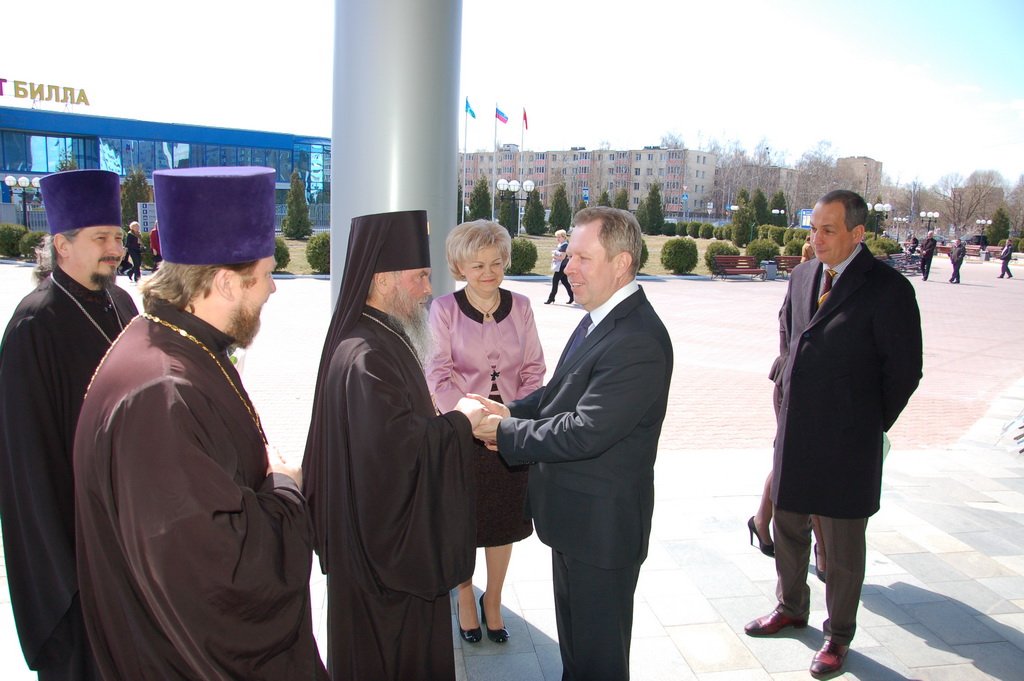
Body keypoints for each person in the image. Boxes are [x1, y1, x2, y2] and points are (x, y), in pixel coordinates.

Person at [73, 167, 327, 680]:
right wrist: (285, 489)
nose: (273, 289)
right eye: (266, 274)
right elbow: (219, 573)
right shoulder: (161, 394)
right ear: (226, 282)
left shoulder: (172, 340)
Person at [473, 206, 673, 681]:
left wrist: (504, 434)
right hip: (575, 520)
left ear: (622, 263)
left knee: (599, 660)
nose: (568, 268)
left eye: (583, 258)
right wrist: (510, 411)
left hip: (601, 532)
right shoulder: (600, 318)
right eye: (569, 256)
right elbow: (560, 392)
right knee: (578, 653)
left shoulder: (638, 338)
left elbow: (586, 429)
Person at [302, 209, 492, 681]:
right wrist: (460, 423)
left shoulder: (380, 334)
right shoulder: (366, 355)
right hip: (383, 572)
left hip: (375, 556)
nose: (429, 289)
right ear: (383, 279)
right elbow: (394, 456)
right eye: (421, 276)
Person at [744, 190, 922, 679]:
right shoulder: (803, 275)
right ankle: (790, 607)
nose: (816, 239)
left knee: (841, 549)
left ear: (857, 234)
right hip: (796, 430)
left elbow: (904, 371)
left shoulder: (888, 288)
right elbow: (789, 334)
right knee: (789, 526)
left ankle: (838, 636)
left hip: (848, 441)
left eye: (828, 230)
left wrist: (866, 422)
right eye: (813, 229)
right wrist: (787, 381)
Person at [0, 169, 138, 680]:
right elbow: (26, 464)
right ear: (62, 245)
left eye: (117, 237)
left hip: (128, 533)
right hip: (75, 548)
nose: (115, 250)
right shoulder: (34, 325)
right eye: (101, 239)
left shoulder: (122, 304)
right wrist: (64, 574)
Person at [425, 220, 546, 645]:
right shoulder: (443, 309)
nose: (488, 272)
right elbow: (437, 374)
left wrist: (510, 421)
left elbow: (534, 370)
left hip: (509, 433)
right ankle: (463, 595)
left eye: (496, 263)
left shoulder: (523, 306)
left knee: (502, 521)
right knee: (462, 522)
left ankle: (492, 598)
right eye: (477, 265)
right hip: (462, 432)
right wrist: (472, 422)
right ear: (460, 267)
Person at [545, 228, 573, 304]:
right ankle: (572, 296)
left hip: (562, 266)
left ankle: (551, 298)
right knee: (564, 281)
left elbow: (562, 257)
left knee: (555, 281)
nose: (557, 239)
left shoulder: (565, 245)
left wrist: (554, 256)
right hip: (562, 266)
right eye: (557, 237)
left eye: (559, 237)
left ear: (564, 237)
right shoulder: (561, 245)